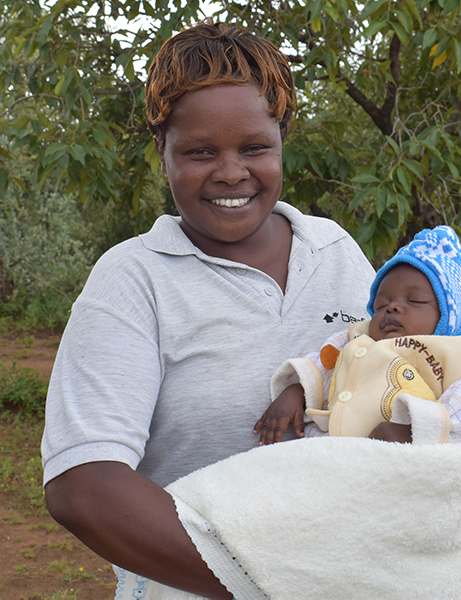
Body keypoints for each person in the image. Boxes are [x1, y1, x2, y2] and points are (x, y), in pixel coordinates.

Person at [41, 21, 375, 598]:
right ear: (162, 152)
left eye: (254, 148)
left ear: (282, 138)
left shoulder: (335, 251)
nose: (230, 172)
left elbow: (394, 366)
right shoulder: (135, 279)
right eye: (199, 152)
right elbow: (84, 485)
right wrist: (267, 583)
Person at [254, 226, 461, 446]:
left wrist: (414, 433)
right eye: (381, 304)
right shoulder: (359, 340)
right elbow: (327, 370)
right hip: (330, 453)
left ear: (453, 315)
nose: (392, 307)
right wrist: (297, 391)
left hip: (406, 465)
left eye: (414, 300)